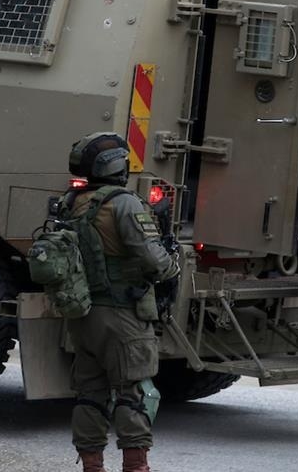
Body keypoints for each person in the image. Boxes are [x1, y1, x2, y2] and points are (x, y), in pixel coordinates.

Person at [61, 132, 179, 472]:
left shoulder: (72, 201)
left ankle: (92, 466)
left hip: (84, 314)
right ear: (117, 167)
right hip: (123, 315)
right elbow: (155, 261)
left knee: (90, 394)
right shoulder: (124, 203)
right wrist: (171, 263)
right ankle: (135, 465)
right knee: (134, 393)